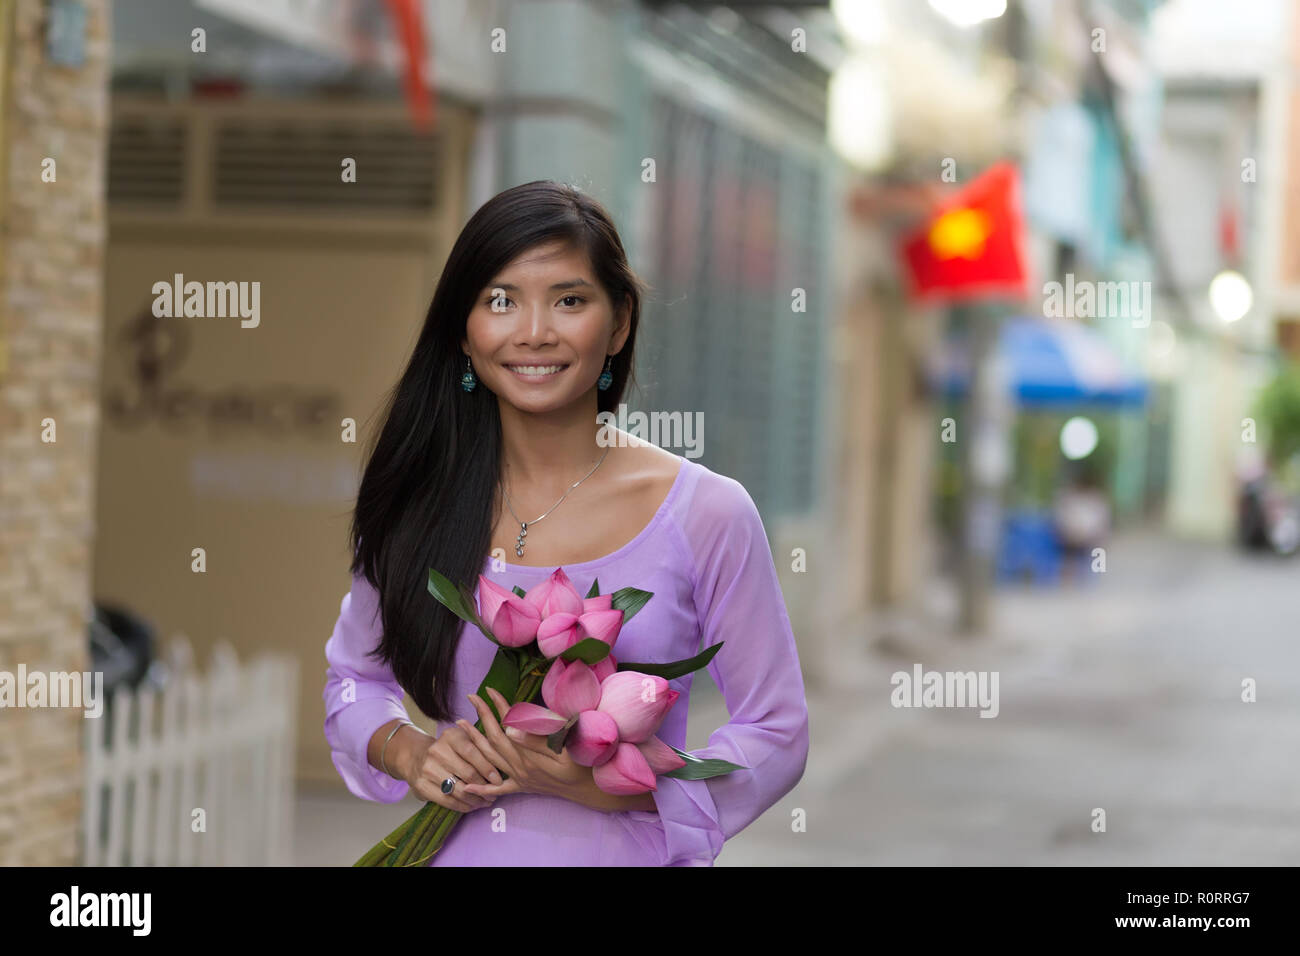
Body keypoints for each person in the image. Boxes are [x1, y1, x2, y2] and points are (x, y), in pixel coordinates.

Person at [322, 180, 810, 866]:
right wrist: (412, 752)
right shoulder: (420, 503)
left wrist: (621, 787)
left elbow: (777, 730)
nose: (534, 332)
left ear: (619, 324)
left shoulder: (707, 513)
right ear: (464, 331)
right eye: (500, 301)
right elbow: (352, 680)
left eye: (569, 300)